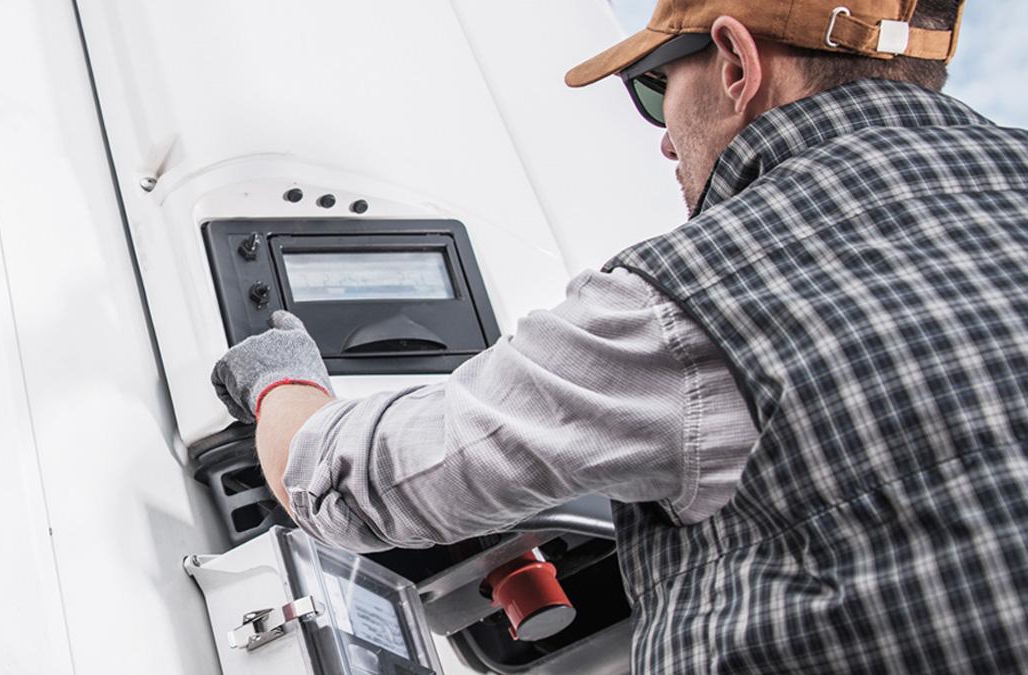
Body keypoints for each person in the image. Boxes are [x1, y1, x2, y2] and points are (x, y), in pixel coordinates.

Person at [212, 0, 1028, 670]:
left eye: (653, 90)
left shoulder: (702, 292)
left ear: (737, 64)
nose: (667, 140)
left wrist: (282, 380)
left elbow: (347, 483)